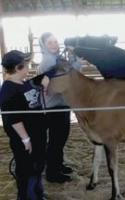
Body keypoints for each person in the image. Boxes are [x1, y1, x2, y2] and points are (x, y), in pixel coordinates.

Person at [0, 50, 49, 200]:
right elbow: (13, 119)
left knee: (38, 165)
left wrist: (44, 78)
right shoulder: (8, 90)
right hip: (25, 139)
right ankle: (27, 197)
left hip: (37, 135)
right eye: (26, 65)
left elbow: (35, 81)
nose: (29, 68)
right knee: (27, 169)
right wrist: (25, 139)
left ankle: (38, 193)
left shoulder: (22, 83)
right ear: (17, 68)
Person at [38, 32, 73, 183]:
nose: (54, 45)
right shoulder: (48, 61)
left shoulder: (56, 59)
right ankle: (52, 173)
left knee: (59, 139)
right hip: (53, 106)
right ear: (43, 45)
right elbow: (65, 78)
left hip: (61, 104)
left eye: (55, 42)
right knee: (56, 140)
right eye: (50, 43)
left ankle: (57, 165)